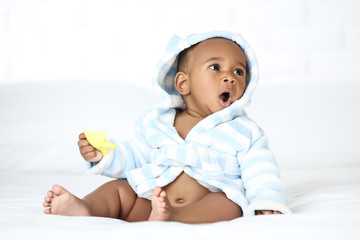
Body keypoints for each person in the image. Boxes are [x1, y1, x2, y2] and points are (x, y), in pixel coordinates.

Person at [43, 31, 291, 223]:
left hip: (203, 206)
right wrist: (105, 155)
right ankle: (86, 208)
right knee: (120, 189)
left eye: (239, 71)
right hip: (150, 202)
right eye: (216, 67)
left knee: (229, 204)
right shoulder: (157, 122)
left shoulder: (244, 130)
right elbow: (136, 156)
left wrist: (266, 199)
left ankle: (174, 219)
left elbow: (261, 170)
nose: (230, 77)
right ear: (184, 83)